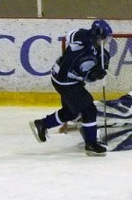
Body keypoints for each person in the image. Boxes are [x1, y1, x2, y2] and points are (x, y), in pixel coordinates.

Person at [29, 20, 113, 156]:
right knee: (89, 109)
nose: (106, 41)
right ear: (96, 36)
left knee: (72, 112)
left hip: (70, 81)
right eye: (104, 38)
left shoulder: (102, 55)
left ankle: (43, 124)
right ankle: (91, 143)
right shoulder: (81, 40)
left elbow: (91, 77)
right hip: (64, 81)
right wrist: (88, 40)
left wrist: (96, 75)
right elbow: (72, 38)